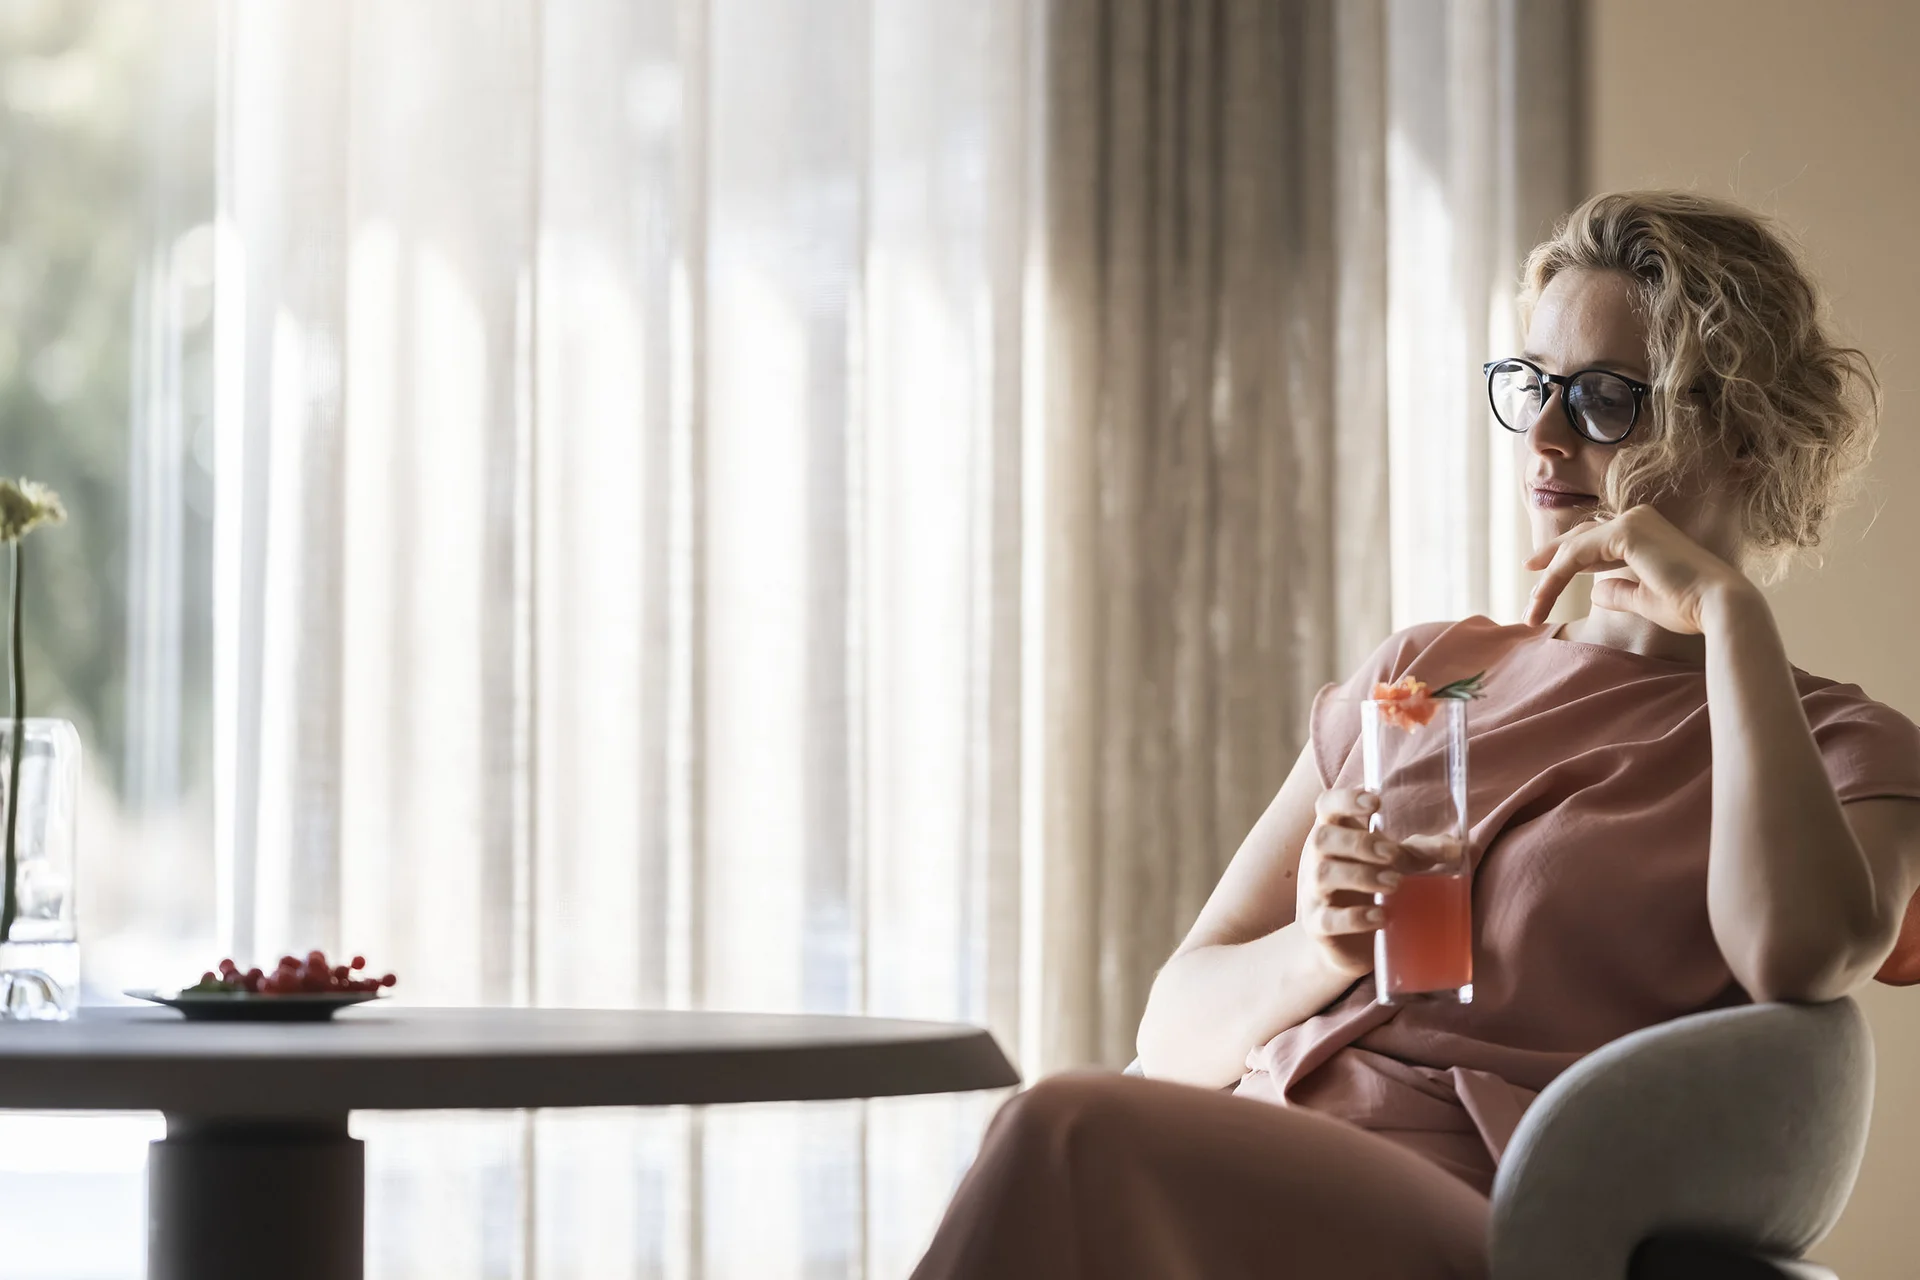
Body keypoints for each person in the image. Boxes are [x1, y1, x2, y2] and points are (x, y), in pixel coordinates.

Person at [909, 190, 1920, 1280]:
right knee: (1067, 1136)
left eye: (1607, 398)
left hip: (1489, 1213)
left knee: (1063, 1128)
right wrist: (1320, 945)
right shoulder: (1423, 671)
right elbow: (1173, 1033)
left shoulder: (1841, 744)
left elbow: (1796, 951)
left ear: (1746, 443)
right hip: (1249, 1156)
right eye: (1534, 385)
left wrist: (1733, 618)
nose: (1543, 434)